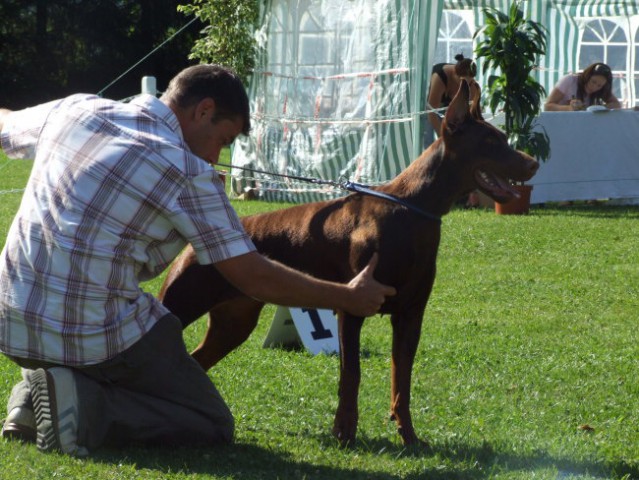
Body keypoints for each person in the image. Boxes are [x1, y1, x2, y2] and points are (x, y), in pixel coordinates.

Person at [0, 64, 396, 456]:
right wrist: (346, 296)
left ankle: (29, 396)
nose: (215, 156)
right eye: (223, 140)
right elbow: (252, 276)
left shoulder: (76, 109)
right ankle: (82, 405)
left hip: (11, 320)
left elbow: (7, 126)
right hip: (94, 337)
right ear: (203, 110)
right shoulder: (187, 171)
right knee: (207, 420)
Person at [426, 53, 478, 139]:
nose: (465, 85)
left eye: (468, 82)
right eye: (462, 81)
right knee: (429, 136)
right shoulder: (439, 78)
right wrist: (442, 137)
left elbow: (472, 112)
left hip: (450, 107)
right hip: (429, 106)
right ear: (454, 73)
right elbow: (431, 111)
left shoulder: (472, 85)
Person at [544, 62, 622, 111]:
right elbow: (548, 106)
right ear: (587, 76)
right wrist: (569, 108)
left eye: (599, 85)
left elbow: (616, 104)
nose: (594, 87)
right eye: (593, 82)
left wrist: (600, 109)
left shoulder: (602, 90)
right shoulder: (569, 80)